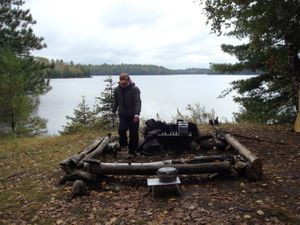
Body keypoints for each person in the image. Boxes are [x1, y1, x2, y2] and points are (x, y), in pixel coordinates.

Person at [112, 73, 141, 157]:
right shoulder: (117, 90)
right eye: (122, 83)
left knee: (134, 133)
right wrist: (113, 111)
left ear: (129, 80)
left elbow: (138, 102)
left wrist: (137, 114)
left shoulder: (135, 89)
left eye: (125, 83)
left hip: (133, 115)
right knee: (121, 130)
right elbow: (115, 102)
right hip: (123, 114)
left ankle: (133, 150)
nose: (123, 85)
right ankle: (124, 146)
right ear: (120, 82)